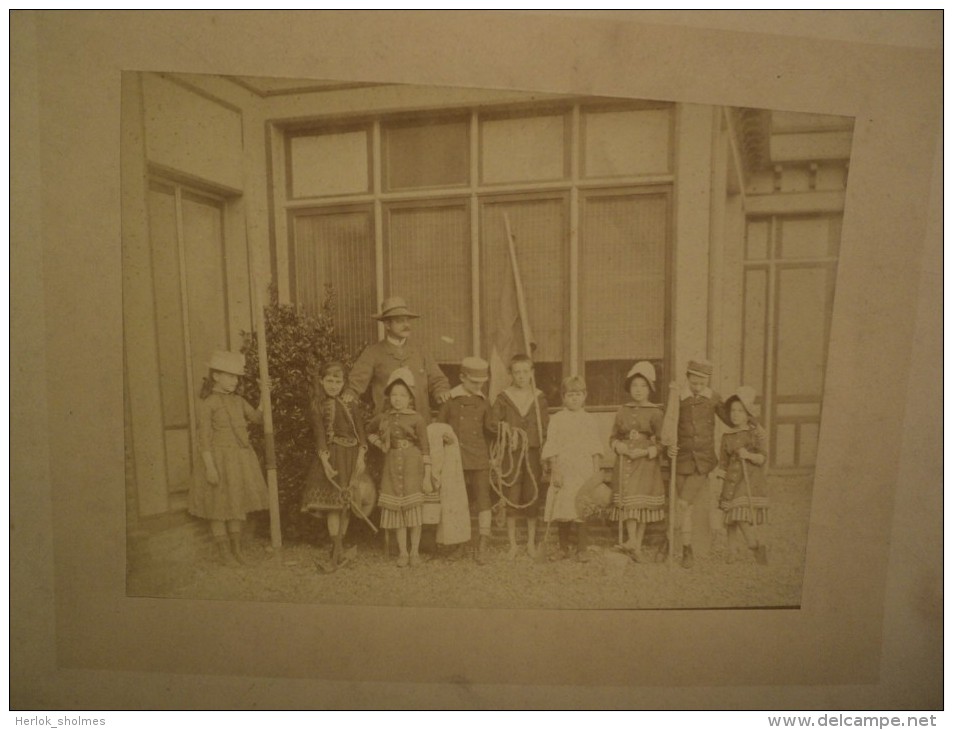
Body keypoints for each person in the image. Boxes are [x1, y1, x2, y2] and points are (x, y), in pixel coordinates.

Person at [188, 350, 269, 566]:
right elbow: (204, 438)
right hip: (218, 459)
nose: (235, 380)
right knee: (219, 505)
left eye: (236, 377)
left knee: (236, 503)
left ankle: (236, 549)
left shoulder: (238, 401)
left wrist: (263, 394)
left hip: (239, 459)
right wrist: (210, 467)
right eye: (230, 376)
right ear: (216, 376)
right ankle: (224, 552)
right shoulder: (208, 403)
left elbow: (258, 419)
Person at [300, 361, 368, 571]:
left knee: (346, 505)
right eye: (329, 380)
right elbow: (320, 434)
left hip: (351, 455)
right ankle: (336, 549)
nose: (333, 385)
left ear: (344, 383)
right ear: (321, 381)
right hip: (333, 457)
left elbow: (361, 432)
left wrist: (361, 456)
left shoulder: (351, 403)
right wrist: (325, 462)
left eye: (338, 381)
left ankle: (338, 550)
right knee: (333, 505)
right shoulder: (317, 405)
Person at [342, 296, 451, 423]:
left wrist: (442, 391)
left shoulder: (421, 350)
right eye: (400, 321)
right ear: (387, 324)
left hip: (420, 421)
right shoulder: (373, 352)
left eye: (407, 321)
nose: (406, 325)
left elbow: (438, 380)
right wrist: (350, 394)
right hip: (388, 423)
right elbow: (356, 383)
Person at [367, 367, 434, 568]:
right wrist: (380, 444)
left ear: (410, 398)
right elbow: (368, 431)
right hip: (391, 465)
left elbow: (425, 447)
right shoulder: (383, 418)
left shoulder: (417, 418)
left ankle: (414, 552)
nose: (398, 399)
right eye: (394, 394)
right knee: (398, 512)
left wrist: (427, 475)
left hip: (413, 465)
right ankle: (403, 553)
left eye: (403, 395)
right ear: (389, 396)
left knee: (413, 512)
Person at [666, 357, 729, 569]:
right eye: (694, 383)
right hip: (682, 459)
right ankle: (685, 548)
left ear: (708, 382)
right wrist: (669, 446)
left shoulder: (713, 399)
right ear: (688, 379)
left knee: (684, 503)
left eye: (702, 383)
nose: (698, 387)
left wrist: (751, 420)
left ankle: (688, 549)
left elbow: (731, 418)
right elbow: (669, 425)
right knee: (686, 508)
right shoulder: (679, 398)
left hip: (703, 461)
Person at [437, 356, 496, 564]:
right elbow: (439, 426)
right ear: (462, 377)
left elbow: (491, 428)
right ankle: (461, 543)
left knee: (483, 500)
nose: (478, 386)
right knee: (458, 501)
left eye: (481, 383)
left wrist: (507, 431)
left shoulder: (483, 401)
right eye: (474, 382)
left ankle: (482, 544)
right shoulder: (450, 400)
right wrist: (442, 436)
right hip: (455, 458)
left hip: (479, 457)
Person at [490, 354, 549, 559]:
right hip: (511, 454)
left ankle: (531, 543)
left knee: (532, 497)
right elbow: (491, 423)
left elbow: (545, 427)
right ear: (510, 374)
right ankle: (513, 544)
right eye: (517, 372)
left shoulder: (539, 397)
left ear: (531, 373)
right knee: (512, 497)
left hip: (532, 454)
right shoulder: (504, 398)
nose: (522, 376)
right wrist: (505, 428)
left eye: (526, 371)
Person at [540, 375, 604, 562]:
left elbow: (595, 448)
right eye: (570, 395)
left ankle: (582, 549)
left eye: (578, 394)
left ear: (584, 396)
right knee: (563, 508)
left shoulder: (589, 420)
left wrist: (596, 473)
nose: (574, 398)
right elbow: (552, 445)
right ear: (563, 397)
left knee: (581, 508)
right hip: (564, 470)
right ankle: (563, 548)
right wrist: (555, 470)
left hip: (583, 471)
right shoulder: (558, 419)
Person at [609, 362, 667, 563]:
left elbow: (662, 443)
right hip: (625, 461)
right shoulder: (622, 410)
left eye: (643, 385)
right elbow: (613, 437)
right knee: (630, 501)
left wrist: (645, 451)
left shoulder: (656, 412)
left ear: (650, 388)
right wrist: (618, 446)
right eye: (635, 385)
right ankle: (632, 541)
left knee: (641, 504)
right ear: (629, 388)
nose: (639, 390)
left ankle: (636, 545)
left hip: (646, 464)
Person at [715, 385, 769, 565]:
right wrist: (719, 481)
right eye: (732, 410)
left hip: (748, 481)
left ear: (748, 414)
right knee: (730, 518)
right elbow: (723, 462)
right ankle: (732, 551)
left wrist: (749, 455)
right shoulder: (727, 437)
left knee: (738, 514)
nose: (735, 414)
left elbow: (762, 458)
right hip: (731, 480)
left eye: (740, 410)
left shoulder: (753, 434)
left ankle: (754, 544)